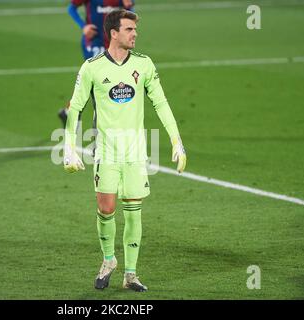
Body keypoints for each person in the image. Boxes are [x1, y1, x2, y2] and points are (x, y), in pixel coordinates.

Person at [63, 9, 187, 292]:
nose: (135, 34)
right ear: (113, 33)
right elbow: (76, 107)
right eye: (129, 29)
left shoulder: (143, 65)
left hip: (134, 153)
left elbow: (161, 103)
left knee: (134, 212)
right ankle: (109, 260)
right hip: (106, 152)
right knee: (105, 209)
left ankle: (130, 273)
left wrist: (176, 140)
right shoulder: (92, 67)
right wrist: (69, 146)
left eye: (135, 29)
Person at [58, 0, 134, 127]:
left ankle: (69, 112)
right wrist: (84, 27)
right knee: (99, 79)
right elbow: (71, 9)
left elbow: (130, 19)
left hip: (113, 44)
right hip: (94, 42)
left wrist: (130, 7)